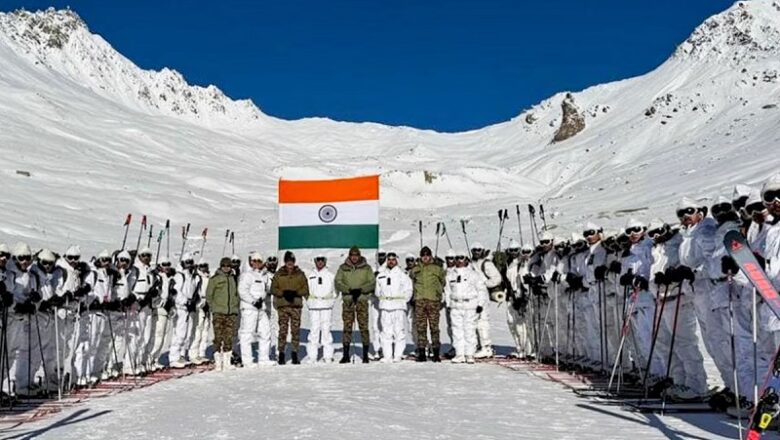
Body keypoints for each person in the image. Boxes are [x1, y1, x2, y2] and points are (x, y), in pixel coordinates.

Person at [444, 251, 487, 363]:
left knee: (469, 330)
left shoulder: (473, 274)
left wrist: (480, 304)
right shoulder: (451, 275)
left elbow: (481, 290)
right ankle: (459, 354)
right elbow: (447, 291)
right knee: (456, 331)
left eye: (461, 257)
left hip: (470, 305)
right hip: (455, 305)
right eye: (456, 258)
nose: (459, 260)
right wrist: (448, 304)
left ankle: (469, 354)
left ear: (466, 259)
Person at [335, 246, 376, 364]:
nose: (354, 258)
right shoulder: (343, 268)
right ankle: (346, 354)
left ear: (359, 256)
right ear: (349, 256)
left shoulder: (366, 268)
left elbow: (372, 283)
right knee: (347, 327)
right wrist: (348, 289)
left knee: (364, 327)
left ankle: (365, 354)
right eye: (352, 255)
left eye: (356, 255)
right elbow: (338, 282)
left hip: (361, 300)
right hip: (348, 300)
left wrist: (362, 289)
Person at [374, 252, 413, 363]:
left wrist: (403, 301)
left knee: (399, 331)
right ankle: (387, 356)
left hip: (398, 307)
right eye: (389, 259)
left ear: (397, 261)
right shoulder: (381, 275)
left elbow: (409, 290)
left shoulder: (402, 275)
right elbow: (377, 291)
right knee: (386, 332)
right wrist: (383, 299)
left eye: (393, 259)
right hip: (385, 306)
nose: (391, 261)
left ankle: (398, 355)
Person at [271, 251, 308, 365]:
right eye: (288, 261)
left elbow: (305, 289)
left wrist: (295, 293)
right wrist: (283, 293)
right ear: (285, 262)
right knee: (283, 330)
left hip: (295, 305)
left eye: (291, 261)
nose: (290, 263)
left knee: (295, 331)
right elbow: (273, 288)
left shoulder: (300, 274)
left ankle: (295, 353)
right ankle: (281, 354)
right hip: (283, 305)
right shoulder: (279, 274)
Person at [410, 246, 446, 362]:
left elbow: (443, 282)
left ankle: (436, 352)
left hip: (433, 300)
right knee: (421, 328)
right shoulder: (415, 270)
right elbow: (410, 282)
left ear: (430, 256)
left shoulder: (437, 269)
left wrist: (438, 294)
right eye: (423, 255)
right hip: (420, 301)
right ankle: (422, 352)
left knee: (434, 328)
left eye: (427, 255)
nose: (425, 257)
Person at [238, 253, 273, 367]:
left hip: (261, 308)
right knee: (247, 334)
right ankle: (247, 361)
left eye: (259, 261)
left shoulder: (263, 276)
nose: (257, 263)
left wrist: (262, 298)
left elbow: (266, 290)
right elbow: (242, 291)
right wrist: (253, 301)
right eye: (255, 261)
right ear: (251, 262)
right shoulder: (247, 275)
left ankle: (264, 358)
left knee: (266, 332)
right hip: (250, 308)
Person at [206, 257, 240, 371]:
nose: (226, 268)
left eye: (228, 265)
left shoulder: (233, 278)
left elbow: (236, 294)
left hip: (231, 312)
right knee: (218, 337)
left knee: (228, 337)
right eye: (224, 265)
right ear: (221, 266)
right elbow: (209, 295)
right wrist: (213, 308)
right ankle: (218, 361)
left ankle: (226, 362)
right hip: (219, 312)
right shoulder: (215, 279)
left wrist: (235, 307)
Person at [168, 255, 202, 368]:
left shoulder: (192, 277)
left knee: (187, 334)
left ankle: (181, 355)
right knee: (179, 333)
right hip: (180, 308)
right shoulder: (180, 276)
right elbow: (176, 292)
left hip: (188, 309)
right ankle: (173, 357)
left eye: (191, 262)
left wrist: (194, 302)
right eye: (187, 262)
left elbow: (194, 292)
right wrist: (185, 301)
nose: (189, 265)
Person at [306, 254, 337, 363]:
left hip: (326, 306)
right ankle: (312, 356)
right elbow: (306, 290)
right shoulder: (310, 276)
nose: (320, 262)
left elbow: (335, 291)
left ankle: (327, 356)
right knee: (314, 330)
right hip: (314, 306)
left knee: (326, 330)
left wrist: (331, 301)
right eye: (318, 260)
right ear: (315, 261)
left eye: (322, 260)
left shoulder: (331, 276)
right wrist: (309, 302)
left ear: (325, 261)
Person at [188, 259, 212, 365]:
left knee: (205, 329)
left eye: (205, 265)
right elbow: (195, 292)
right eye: (201, 265)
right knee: (198, 329)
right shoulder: (197, 277)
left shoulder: (208, 276)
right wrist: (200, 304)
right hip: (199, 305)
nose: (203, 267)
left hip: (208, 304)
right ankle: (193, 353)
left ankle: (202, 353)